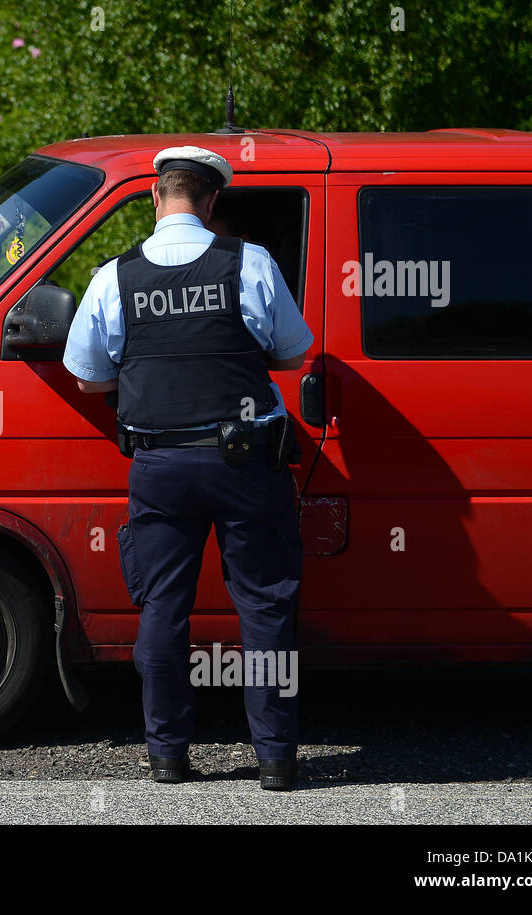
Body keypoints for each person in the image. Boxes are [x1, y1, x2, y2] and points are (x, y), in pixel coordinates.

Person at [62, 145, 312, 790]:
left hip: (161, 464)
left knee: (163, 609)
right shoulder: (249, 261)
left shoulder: (112, 276)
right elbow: (292, 352)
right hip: (246, 463)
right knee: (264, 608)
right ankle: (277, 761)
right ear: (213, 201)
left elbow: (87, 378)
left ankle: (167, 755)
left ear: (154, 197)